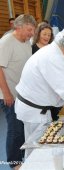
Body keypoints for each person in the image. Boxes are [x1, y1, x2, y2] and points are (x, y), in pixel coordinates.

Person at [15, 33, 64, 158]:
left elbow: (59, 83)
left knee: (39, 146)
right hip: (35, 110)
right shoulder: (53, 56)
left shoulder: (53, 52)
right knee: (36, 149)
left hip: (36, 106)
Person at [0, 14, 36, 170]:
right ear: (18, 26)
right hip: (9, 95)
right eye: (29, 30)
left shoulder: (26, 42)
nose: (32, 33)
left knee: (21, 128)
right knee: (15, 129)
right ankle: (14, 163)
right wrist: (7, 94)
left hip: (22, 95)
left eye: (33, 30)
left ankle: (21, 158)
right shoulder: (7, 42)